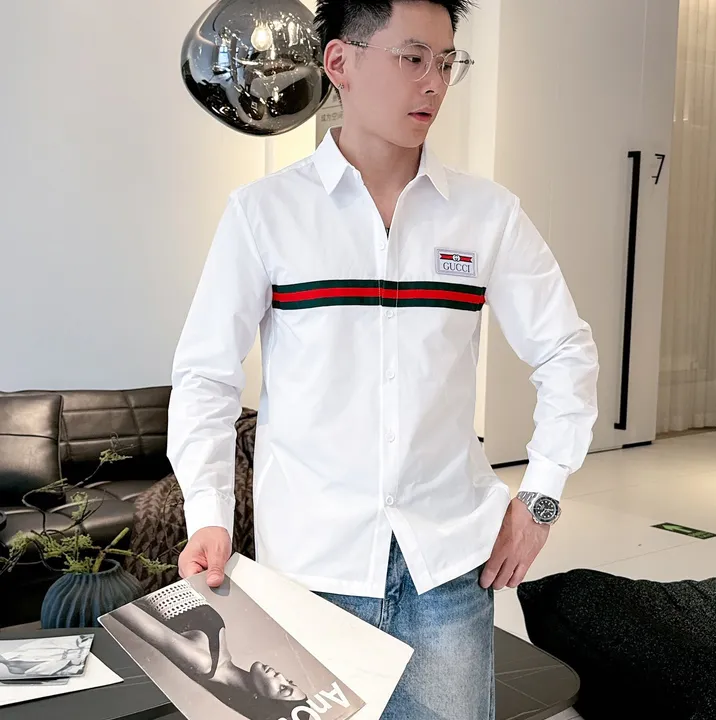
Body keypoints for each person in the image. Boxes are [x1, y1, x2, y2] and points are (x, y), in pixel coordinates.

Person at [167, 0, 599, 718]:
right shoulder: (264, 213)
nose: (434, 82)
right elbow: (205, 376)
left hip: (448, 569)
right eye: (412, 57)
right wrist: (207, 512)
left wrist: (542, 495)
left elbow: (565, 351)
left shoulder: (487, 215)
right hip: (312, 569)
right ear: (340, 62)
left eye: (447, 62)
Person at [113, 581, 307, 719]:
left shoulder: (202, 662)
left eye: (283, 688)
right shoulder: (222, 659)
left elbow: (120, 608)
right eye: (290, 681)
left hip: (143, 574)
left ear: (261, 701)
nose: (281, 676)